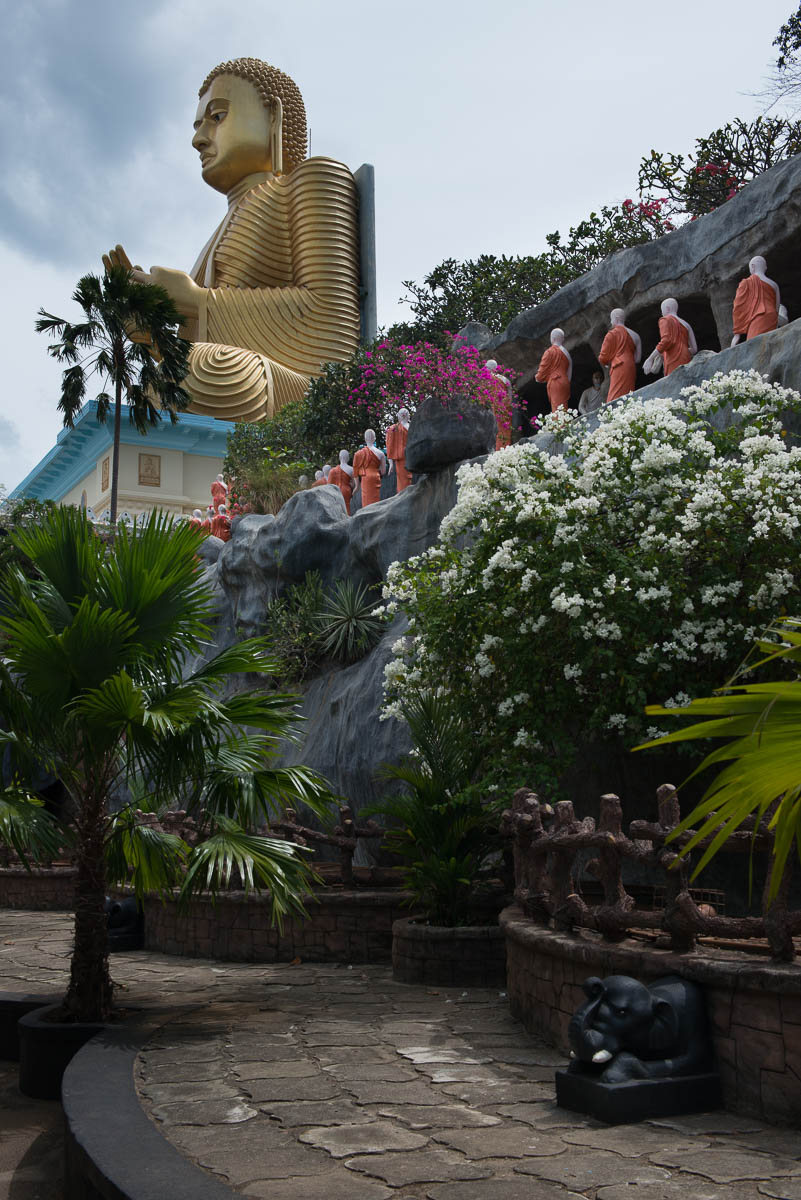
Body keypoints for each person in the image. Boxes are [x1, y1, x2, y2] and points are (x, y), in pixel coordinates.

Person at [103, 57, 360, 423]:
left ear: (273, 114)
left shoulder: (313, 179)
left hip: (294, 389)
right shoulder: (223, 226)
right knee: (180, 372)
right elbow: (205, 339)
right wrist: (154, 334)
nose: (199, 139)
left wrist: (196, 301)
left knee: (213, 369)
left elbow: (332, 320)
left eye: (217, 117)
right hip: (222, 372)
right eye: (198, 125)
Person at [731, 256, 780, 345]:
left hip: (758, 317)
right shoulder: (774, 284)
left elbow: (738, 306)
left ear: (752, 267)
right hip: (772, 316)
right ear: (765, 267)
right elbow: (777, 308)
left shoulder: (746, 282)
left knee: (753, 346)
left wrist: (737, 334)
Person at [645, 299, 697, 377]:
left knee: (674, 383)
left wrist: (650, 358)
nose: (662, 313)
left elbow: (666, 341)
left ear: (667, 308)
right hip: (685, 356)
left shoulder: (665, 319)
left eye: (662, 310)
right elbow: (694, 349)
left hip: (673, 356)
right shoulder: (686, 324)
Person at [599, 309, 641, 403]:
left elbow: (603, 356)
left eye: (611, 319)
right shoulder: (636, 335)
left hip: (618, 365)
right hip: (630, 365)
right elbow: (637, 359)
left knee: (615, 394)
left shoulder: (612, 334)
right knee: (629, 392)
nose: (611, 322)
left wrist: (606, 362)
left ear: (616, 319)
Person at [535, 329, 572, 412]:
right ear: (562, 338)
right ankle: (563, 423)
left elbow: (542, 369)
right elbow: (570, 371)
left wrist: (538, 378)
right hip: (565, 381)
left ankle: (560, 425)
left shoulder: (550, 352)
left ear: (553, 338)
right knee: (563, 408)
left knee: (557, 409)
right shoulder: (566, 353)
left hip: (556, 382)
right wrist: (566, 381)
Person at [352, 429, 387, 508]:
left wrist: (357, 485)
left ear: (365, 439)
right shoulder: (380, 453)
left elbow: (355, 472)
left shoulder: (358, 454)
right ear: (374, 438)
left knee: (366, 501)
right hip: (376, 476)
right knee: (376, 500)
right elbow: (383, 471)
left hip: (366, 477)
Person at [386, 408, 412, 491]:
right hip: (409, 457)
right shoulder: (395, 428)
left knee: (403, 482)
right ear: (408, 416)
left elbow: (389, 445)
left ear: (398, 416)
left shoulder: (394, 428)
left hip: (403, 457)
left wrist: (391, 463)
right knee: (406, 481)